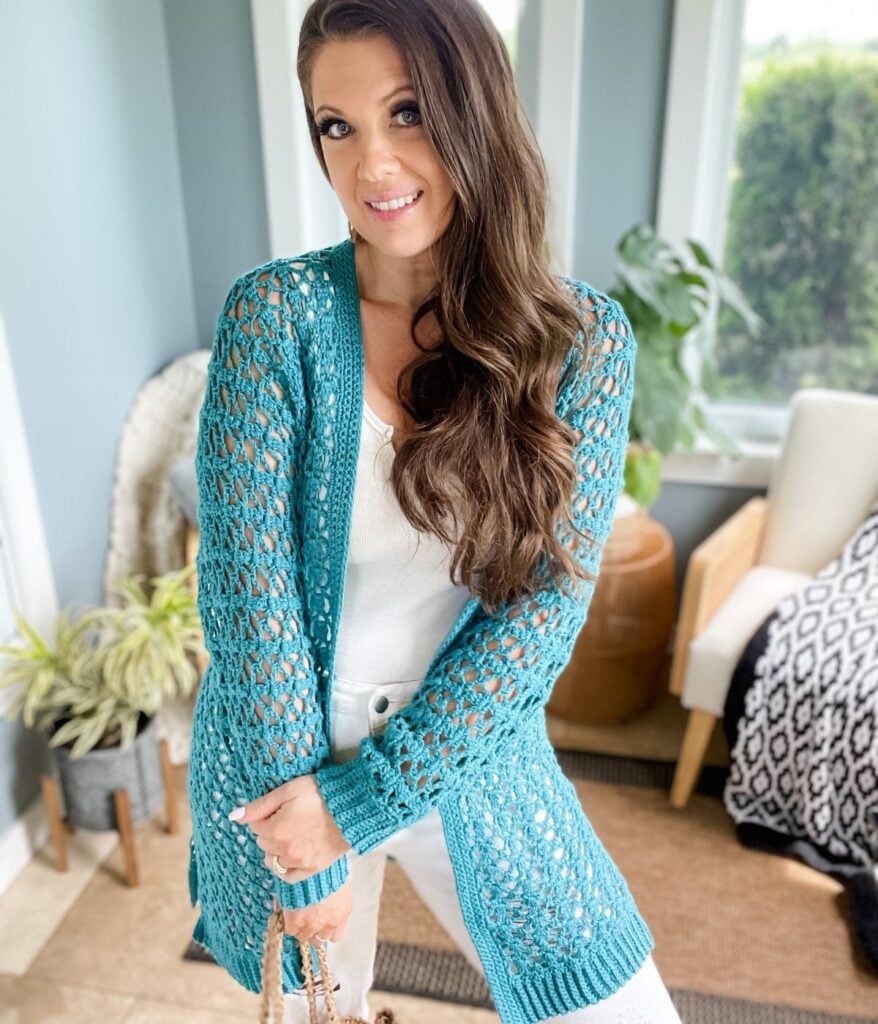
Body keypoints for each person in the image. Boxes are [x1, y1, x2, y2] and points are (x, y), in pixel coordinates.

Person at [187, 1, 684, 1022]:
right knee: (315, 1004)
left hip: (463, 739)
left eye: (406, 112)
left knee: (619, 1006)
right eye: (338, 125)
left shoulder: (581, 341)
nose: (372, 164)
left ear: (475, 113)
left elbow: (540, 617)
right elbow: (251, 602)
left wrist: (361, 805)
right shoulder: (272, 320)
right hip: (283, 762)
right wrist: (306, 836)